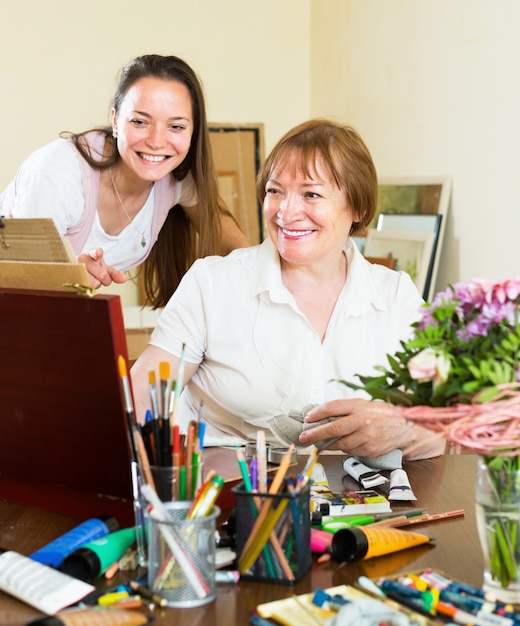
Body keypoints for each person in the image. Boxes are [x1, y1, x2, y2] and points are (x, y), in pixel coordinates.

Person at [131, 119, 445, 460]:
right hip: (236, 495)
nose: (285, 212)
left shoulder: (396, 296)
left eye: (311, 194)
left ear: (358, 208)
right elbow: (143, 397)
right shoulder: (212, 282)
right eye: (274, 191)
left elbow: (446, 427)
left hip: (366, 502)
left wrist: (403, 426)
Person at [0, 54, 248, 307]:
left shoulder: (179, 178)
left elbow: (240, 253)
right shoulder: (57, 173)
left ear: (193, 131)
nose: (156, 141)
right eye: (140, 122)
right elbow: (23, 289)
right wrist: (63, 275)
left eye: (176, 127)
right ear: (115, 120)